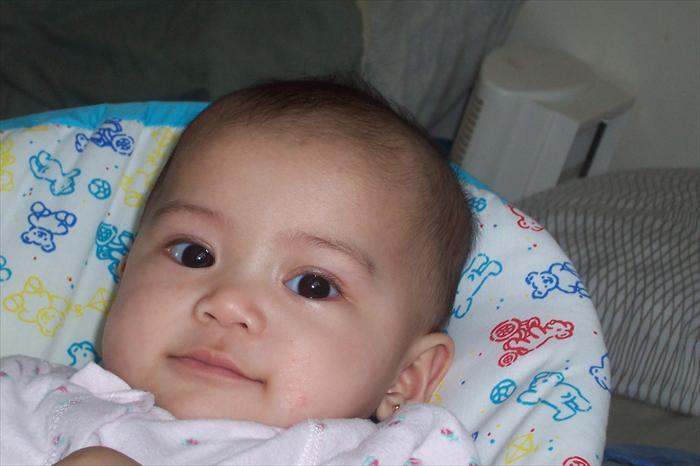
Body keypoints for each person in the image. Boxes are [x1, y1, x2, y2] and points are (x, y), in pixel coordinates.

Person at [0, 77, 478, 465]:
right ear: (124, 275)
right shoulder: (27, 397)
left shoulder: (390, 454)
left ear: (405, 376)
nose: (227, 303)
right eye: (194, 254)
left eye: (313, 285)